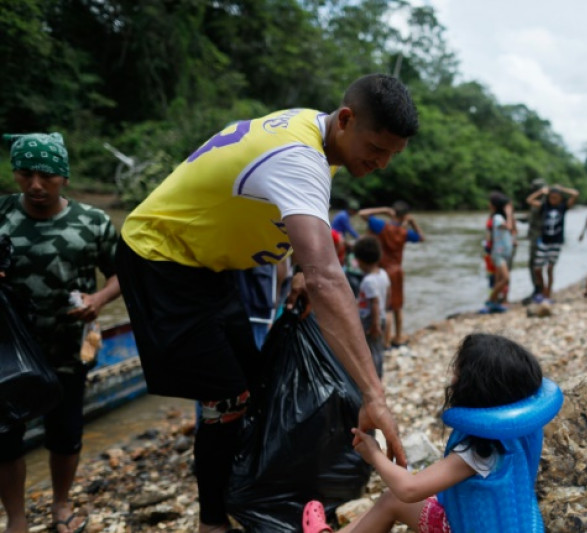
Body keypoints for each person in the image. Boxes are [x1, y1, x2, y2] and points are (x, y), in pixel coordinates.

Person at [114, 74, 416, 532]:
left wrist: (296, 265)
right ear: (347, 120)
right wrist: (374, 395)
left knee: (253, 385)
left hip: (212, 265)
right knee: (227, 398)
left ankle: (241, 491)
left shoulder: (313, 132)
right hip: (162, 259)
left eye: (393, 155)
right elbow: (327, 277)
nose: (382, 164)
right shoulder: (300, 158)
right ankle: (213, 522)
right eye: (377, 149)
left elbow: (288, 223)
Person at [300, 333, 544, 533]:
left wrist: (373, 454)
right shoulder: (518, 431)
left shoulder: (479, 451)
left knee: (393, 499)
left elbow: (409, 489)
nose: (452, 377)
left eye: (457, 373)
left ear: (475, 389)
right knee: (400, 498)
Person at [0, 132, 121, 533]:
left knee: (65, 431)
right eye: (26, 174)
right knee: (6, 436)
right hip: (9, 350)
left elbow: (123, 274)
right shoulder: (1, 216)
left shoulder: (93, 222)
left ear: (64, 177)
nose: (36, 185)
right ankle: (16, 518)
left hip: (69, 347)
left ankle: (61, 506)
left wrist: (100, 299)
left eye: (47, 176)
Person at [359, 201, 425, 347]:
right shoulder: (404, 232)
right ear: (405, 216)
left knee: (386, 307)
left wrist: (384, 209)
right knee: (397, 306)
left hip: (382, 270)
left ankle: (385, 341)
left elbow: (362, 214)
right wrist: (413, 223)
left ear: (393, 213)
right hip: (397, 271)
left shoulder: (381, 226)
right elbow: (421, 238)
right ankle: (398, 336)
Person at [526, 184, 579, 302]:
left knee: (550, 268)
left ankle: (547, 294)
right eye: (551, 197)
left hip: (556, 242)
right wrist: (541, 192)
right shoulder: (544, 206)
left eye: (556, 197)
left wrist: (562, 188)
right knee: (537, 268)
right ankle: (543, 289)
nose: (553, 200)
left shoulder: (563, 207)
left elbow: (575, 194)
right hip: (544, 241)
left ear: (560, 198)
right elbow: (529, 200)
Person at [352, 235, 390, 377]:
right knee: (377, 349)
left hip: (370, 320)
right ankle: (376, 375)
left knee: (370, 351)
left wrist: (375, 325)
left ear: (361, 261)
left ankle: (373, 376)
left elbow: (374, 303)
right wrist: (384, 311)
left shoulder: (368, 281)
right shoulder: (383, 274)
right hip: (380, 317)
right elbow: (387, 294)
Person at [481, 192, 514, 313]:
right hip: (498, 254)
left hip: (502, 253)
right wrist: (509, 213)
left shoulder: (496, 217)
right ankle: (490, 300)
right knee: (505, 279)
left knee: (498, 279)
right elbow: (509, 227)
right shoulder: (497, 218)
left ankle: (494, 303)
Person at [522, 179, 547, 304]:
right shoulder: (539, 202)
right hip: (534, 236)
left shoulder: (545, 203)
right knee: (533, 264)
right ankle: (537, 289)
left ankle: (539, 290)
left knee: (535, 265)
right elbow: (532, 217)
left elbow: (529, 200)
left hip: (539, 238)